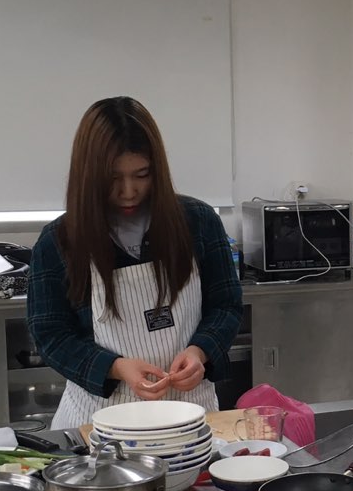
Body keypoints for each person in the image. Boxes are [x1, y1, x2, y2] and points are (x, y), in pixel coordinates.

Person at [28, 96, 243, 429]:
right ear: (89, 175)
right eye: (113, 178)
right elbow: (51, 336)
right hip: (99, 423)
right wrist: (115, 367)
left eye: (141, 174)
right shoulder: (60, 241)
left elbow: (226, 305)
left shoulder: (198, 222)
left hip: (190, 413)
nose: (128, 191)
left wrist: (200, 351)